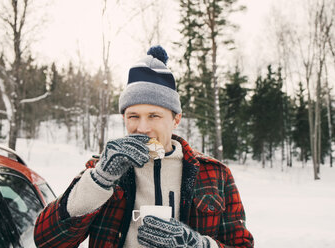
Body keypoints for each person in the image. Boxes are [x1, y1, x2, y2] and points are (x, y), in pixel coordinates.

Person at [34, 46, 254, 248]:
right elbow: (47, 241)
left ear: (176, 119)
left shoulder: (215, 174)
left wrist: (198, 245)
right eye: (133, 116)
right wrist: (100, 179)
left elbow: (241, 244)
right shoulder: (101, 168)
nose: (142, 127)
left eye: (154, 116)